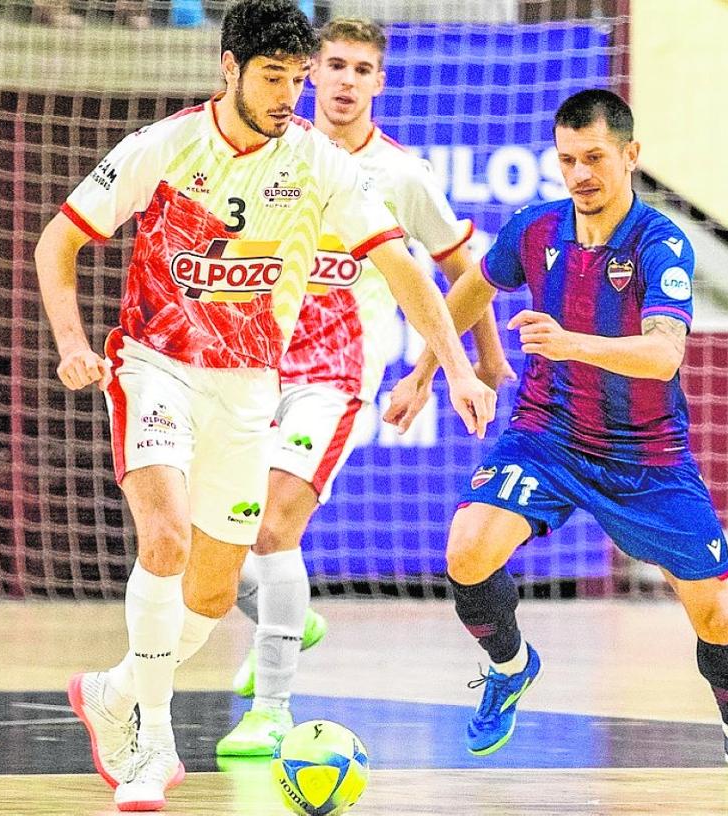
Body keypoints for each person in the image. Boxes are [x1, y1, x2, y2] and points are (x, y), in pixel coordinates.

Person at [34, 1, 495, 810]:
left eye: (298, 78)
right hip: (157, 367)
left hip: (251, 390)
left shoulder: (320, 163)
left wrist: (454, 367)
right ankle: (153, 743)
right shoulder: (167, 147)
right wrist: (74, 344)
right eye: (274, 78)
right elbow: (57, 243)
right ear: (230, 68)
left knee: (211, 597)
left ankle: (112, 693)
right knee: (167, 539)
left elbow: (406, 272)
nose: (291, 94)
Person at [384, 88, 728, 778]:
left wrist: (568, 343)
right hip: (547, 434)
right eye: (568, 159)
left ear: (631, 156)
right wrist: (429, 368)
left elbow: (664, 353)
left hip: (647, 458)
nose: (580, 173)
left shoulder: (659, 243)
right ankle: (510, 666)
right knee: (467, 551)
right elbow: (470, 290)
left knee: (713, 614)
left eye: (595, 157)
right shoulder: (536, 228)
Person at [215, 17, 515, 757]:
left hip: (338, 370)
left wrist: (468, 364)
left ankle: (273, 711)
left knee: (273, 529)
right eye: (335, 66)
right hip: (250, 366)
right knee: (210, 537)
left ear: (380, 82)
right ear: (311, 75)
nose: (346, 82)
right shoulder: (267, 153)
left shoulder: (403, 175)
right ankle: (289, 618)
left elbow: (463, 269)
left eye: (361, 70)